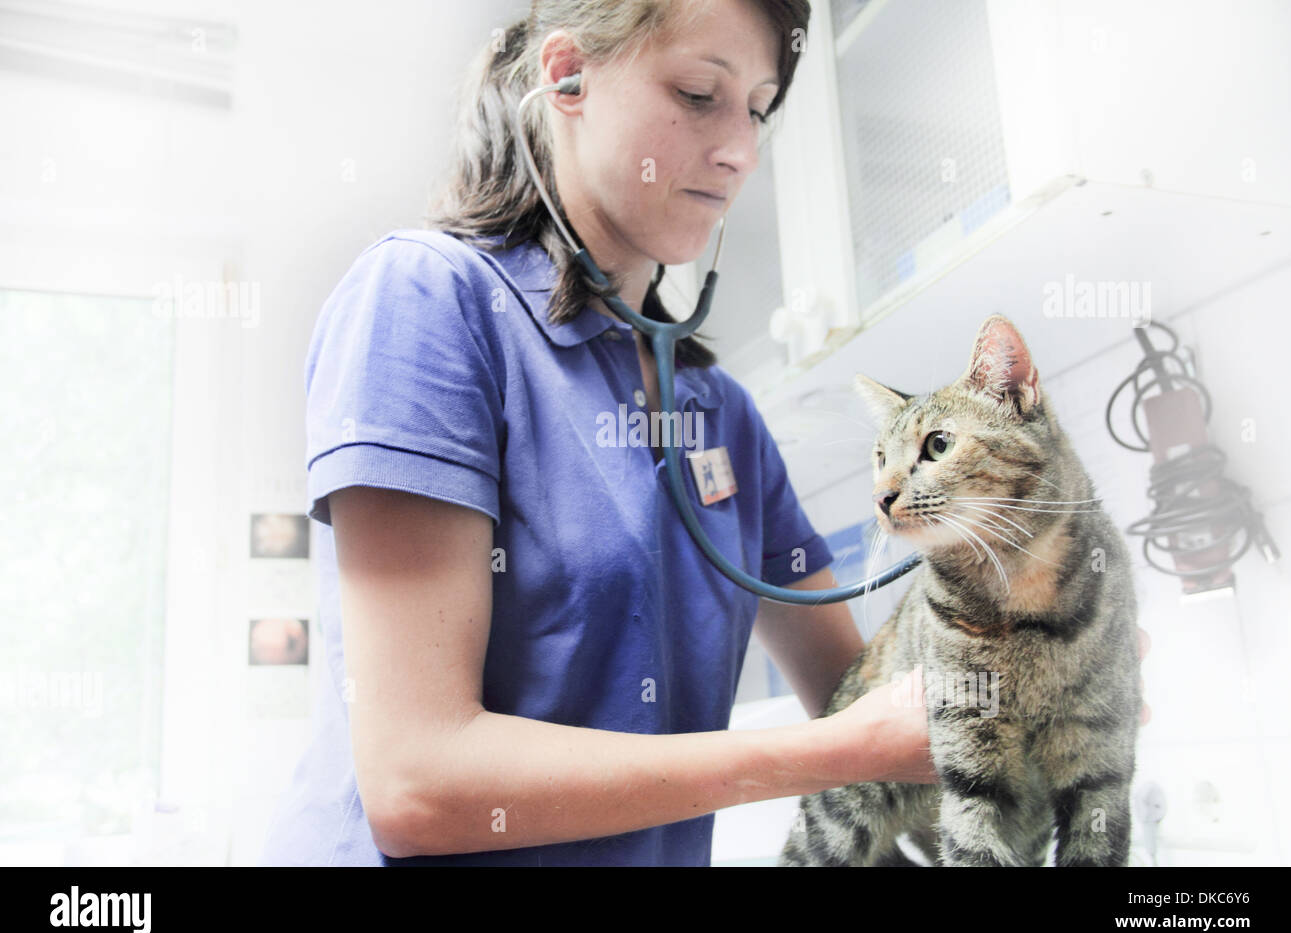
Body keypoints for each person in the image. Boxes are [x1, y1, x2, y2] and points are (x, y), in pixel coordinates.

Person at [259, 0, 1151, 866]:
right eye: (698, 95)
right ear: (566, 77)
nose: (739, 151)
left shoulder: (720, 412)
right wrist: (837, 753)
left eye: (759, 110)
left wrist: (1054, 667)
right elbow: (419, 784)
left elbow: (864, 708)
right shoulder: (427, 303)